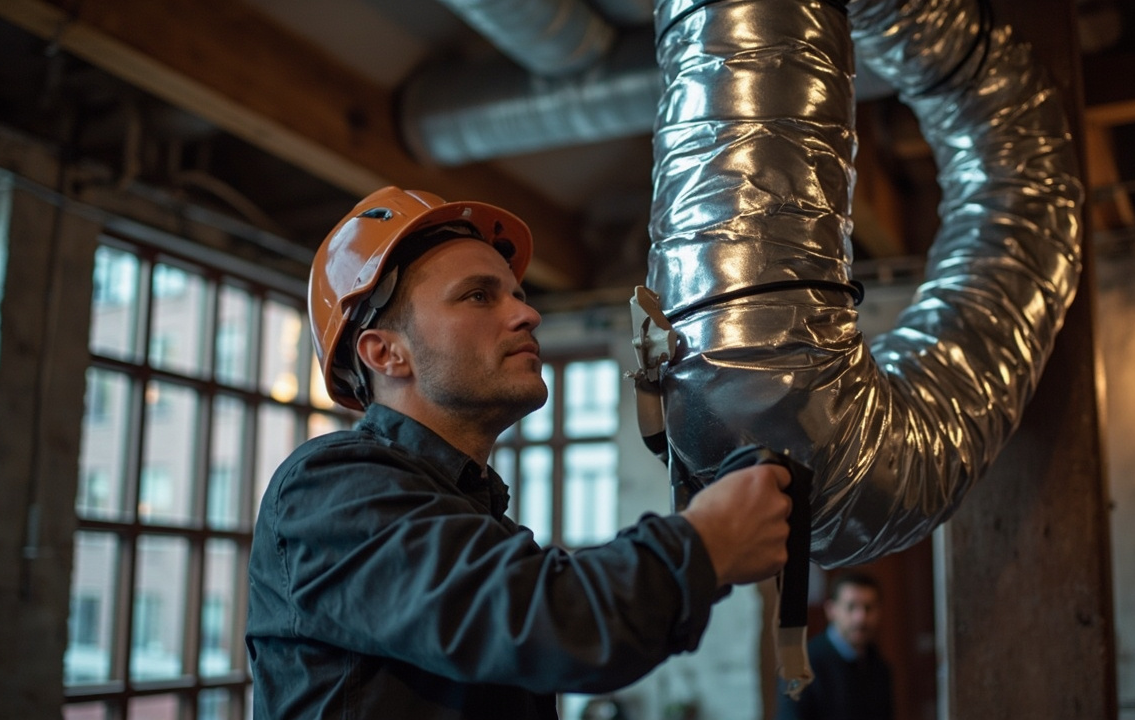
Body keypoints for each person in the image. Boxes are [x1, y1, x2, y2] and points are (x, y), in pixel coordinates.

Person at [245, 186, 794, 719]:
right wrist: (708, 543)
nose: (527, 315)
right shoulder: (327, 488)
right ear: (385, 352)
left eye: (518, 295)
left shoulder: (483, 524)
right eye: (479, 295)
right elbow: (550, 621)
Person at [775, 572, 894, 720]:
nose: (860, 618)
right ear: (831, 610)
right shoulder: (801, 665)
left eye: (868, 608)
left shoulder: (879, 665)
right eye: (851, 607)